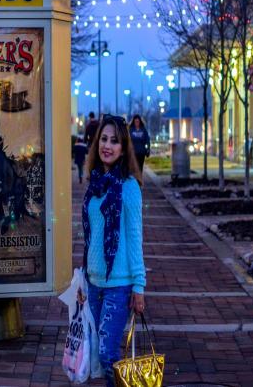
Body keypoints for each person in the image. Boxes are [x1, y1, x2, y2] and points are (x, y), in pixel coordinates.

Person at [79, 114, 146, 386]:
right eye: (104, 139)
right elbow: (91, 238)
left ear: (123, 147)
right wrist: (83, 277)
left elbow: (134, 238)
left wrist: (139, 286)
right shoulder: (94, 185)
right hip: (94, 282)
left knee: (107, 355)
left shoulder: (129, 187)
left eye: (114, 141)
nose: (107, 146)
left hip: (119, 285)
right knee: (97, 353)